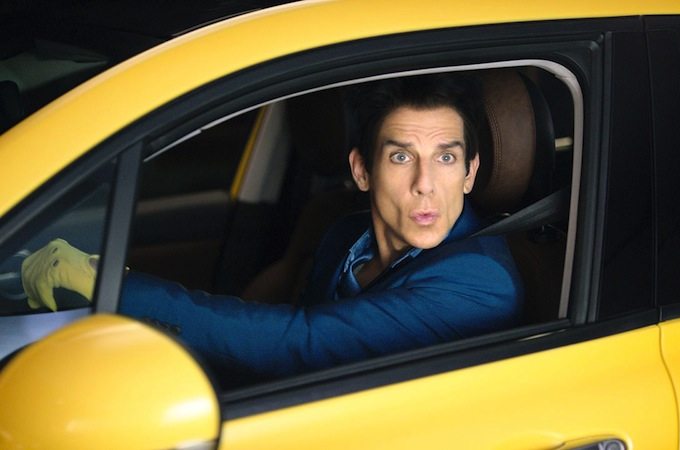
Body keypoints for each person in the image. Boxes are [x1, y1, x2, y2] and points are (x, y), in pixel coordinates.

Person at [22, 74, 523, 379]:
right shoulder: (344, 233)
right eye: (401, 156)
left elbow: (299, 344)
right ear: (361, 170)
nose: (425, 184)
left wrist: (107, 280)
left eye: (446, 158)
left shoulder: (481, 280)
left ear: (470, 172)